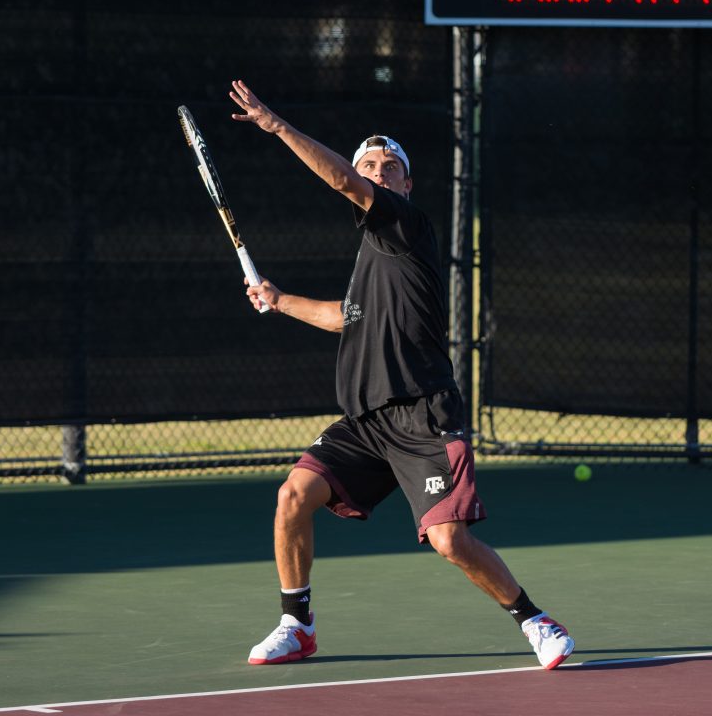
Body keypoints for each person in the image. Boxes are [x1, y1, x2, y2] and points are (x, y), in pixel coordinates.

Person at [228, 79, 575, 670]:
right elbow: (348, 318)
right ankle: (297, 625)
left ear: (406, 184)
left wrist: (277, 126)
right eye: (370, 164)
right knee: (292, 496)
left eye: (389, 167)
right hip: (365, 422)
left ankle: (535, 620)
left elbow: (340, 181)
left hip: (423, 413)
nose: (377, 172)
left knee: (449, 540)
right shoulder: (372, 254)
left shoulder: (406, 226)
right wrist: (280, 300)